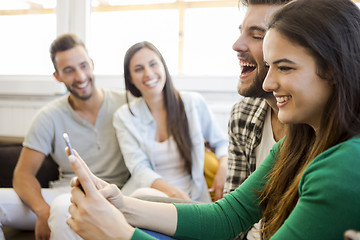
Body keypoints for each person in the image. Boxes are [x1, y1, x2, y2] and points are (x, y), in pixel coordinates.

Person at [66, 0, 360, 239]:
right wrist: (121, 205)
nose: (268, 83)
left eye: (284, 68)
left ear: (334, 70)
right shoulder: (301, 140)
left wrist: (118, 233)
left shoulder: (343, 168)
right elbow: (227, 216)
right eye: (269, 67)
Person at [0, 33, 130, 240]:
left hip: (114, 195)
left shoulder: (125, 104)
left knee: (62, 211)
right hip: (65, 193)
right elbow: (23, 175)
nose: (80, 76)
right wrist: (42, 211)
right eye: (69, 70)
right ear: (57, 76)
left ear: (92, 64)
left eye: (83, 65)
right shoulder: (48, 116)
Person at [114, 41, 228, 202]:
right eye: (139, 69)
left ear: (163, 67)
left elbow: (222, 142)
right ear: (130, 78)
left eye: (153, 64)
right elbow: (139, 168)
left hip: (194, 195)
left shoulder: (193, 103)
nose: (148, 73)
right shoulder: (124, 116)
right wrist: (174, 195)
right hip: (149, 195)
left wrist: (223, 168)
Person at [224, 0, 291, 238]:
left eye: (256, 36)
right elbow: (229, 216)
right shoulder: (242, 114)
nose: (236, 45)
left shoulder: (323, 131)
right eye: (241, 32)